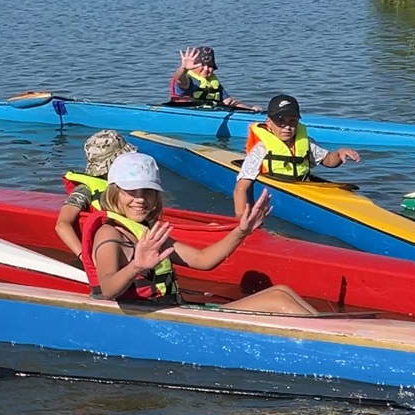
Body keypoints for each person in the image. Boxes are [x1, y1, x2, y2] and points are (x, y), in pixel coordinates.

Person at [86, 152, 317, 315]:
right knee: (277, 300)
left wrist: (241, 231)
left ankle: (341, 335)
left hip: (176, 311)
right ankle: (341, 342)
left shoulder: (146, 232)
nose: (140, 199)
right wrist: (136, 266)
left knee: (281, 291)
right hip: (161, 319)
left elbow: (203, 260)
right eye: (130, 191)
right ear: (114, 192)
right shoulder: (109, 235)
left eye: (148, 191)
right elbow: (107, 289)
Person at [233, 94, 361, 217]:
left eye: (292, 121)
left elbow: (328, 160)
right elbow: (241, 189)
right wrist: (242, 220)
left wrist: (339, 153)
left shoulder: (305, 143)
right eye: (281, 121)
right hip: (278, 192)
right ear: (269, 122)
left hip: (303, 189)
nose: (287, 127)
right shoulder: (261, 149)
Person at [55, 130, 136, 259]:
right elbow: (62, 225)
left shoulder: (125, 182)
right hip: (109, 245)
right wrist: (84, 256)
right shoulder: (85, 190)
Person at [169, 46, 260, 111]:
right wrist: (183, 68)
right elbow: (179, 79)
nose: (206, 69)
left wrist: (249, 110)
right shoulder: (188, 79)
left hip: (211, 113)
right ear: (194, 66)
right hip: (189, 113)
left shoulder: (213, 82)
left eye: (210, 66)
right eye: (202, 65)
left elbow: (228, 101)